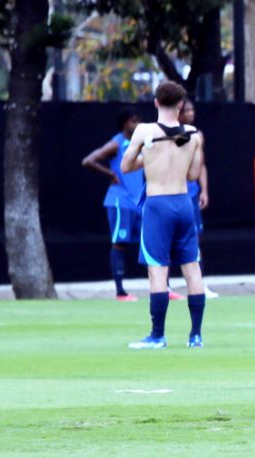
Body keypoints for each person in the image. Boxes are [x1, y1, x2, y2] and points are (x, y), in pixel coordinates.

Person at [122, 81, 206, 349]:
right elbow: (193, 174)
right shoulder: (193, 133)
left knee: (158, 271)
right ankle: (195, 336)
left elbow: (125, 166)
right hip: (184, 203)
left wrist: (148, 158)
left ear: (156, 102)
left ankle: (157, 335)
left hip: (158, 205)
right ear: (181, 104)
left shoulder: (144, 130)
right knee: (192, 269)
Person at [81, 110, 145, 301]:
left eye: (139, 121)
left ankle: (162, 287)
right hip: (120, 201)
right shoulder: (116, 143)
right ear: (125, 124)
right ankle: (120, 292)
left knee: (150, 242)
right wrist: (110, 174)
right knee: (119, 243)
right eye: (134, 121)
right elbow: (88, 161)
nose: (137, 124)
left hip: (137, 202)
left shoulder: (139, 144)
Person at [178, 99, 217, 299]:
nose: (191, 113)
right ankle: (163, 286)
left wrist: (204, 190)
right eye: (187, 110)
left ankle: (198, 284)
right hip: (174, 193)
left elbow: (201, 164)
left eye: (193, 109)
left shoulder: (197, 134)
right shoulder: (169, 133)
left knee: (195, 238)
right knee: (168, 241)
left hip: (192, 194)